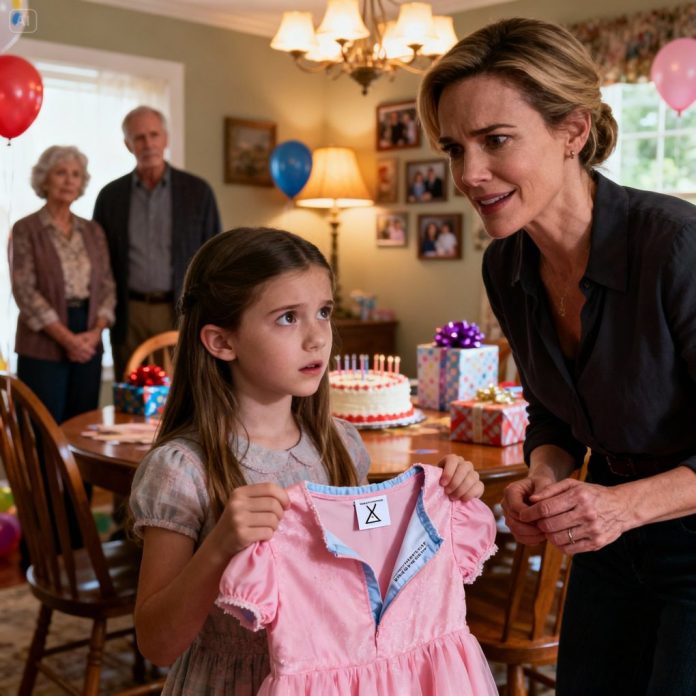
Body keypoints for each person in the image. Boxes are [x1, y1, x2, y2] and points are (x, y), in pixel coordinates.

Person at [419, 16, 696, 696]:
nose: (469, 174)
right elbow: (551, 413)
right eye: (455, 148)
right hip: (608, 544)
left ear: (573, 131)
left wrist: (625, 506)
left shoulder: (676, 247)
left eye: (496, 140)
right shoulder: (505, 264)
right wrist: (544, 478)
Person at [129, 226, 485, 694]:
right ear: (221, 342)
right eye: (287, 318)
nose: (317, 337)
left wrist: (441, 500)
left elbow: (368, 580)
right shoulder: (181, 470)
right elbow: (157, 644)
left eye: (323, 312)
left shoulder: (342, 445)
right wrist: (218, 547)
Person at [9, 145, 116, 559]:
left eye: (75, 174)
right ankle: (41, 544)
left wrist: (93, 332)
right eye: (60, 173)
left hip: (89, 337)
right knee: (44, 442)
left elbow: (106, 287)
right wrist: (67, 338)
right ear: (44, 179)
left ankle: (77, 536)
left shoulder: (93, 232)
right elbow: (25, 291)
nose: (69, 180)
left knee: (80, 440)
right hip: (44, 342)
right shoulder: (26, 229)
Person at [93, 105, 221, 381]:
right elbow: (98, 262)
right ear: (128, 145)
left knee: (185, 390)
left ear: (166, 139)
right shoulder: (110, 197)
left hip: (181, 308)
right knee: (131, 392)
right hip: (129, 313)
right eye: (139, 137)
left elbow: (215, 257)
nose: (148, 144)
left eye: (154, 135)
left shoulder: (197, 192)